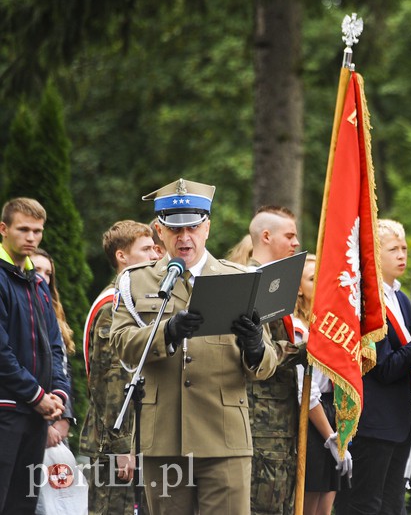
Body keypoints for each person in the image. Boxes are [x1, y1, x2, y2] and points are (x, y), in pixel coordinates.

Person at [110, 179, 282, 515]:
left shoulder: (239, 277)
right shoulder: (136, 280)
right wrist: (167, 332)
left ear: (207, 228)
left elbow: (268, 363)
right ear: (159, 231)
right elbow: (122, 346)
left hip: (224, 437)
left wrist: (254, 346)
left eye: (192, 226)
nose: (184, 237)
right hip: (163, 439)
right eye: (175, 229)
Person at [335, 219, 411, 515]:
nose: (402, 255)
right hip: (373, 420)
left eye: (405, 248)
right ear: (373, 253)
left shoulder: (401, 299)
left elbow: (408, 360)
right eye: (393, 249)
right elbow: (383, 367)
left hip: (400, 419)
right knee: (366, 504)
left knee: (393, 505)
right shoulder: (367, 300)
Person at [79, 220, 159, 514]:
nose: (154, 254)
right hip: (115, 443)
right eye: (146, 248)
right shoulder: (112, 308)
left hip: (138, 438)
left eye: (154, 248)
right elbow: (110, 386)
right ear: (121, 256)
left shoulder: (133, 302)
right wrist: (122, 448)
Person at [0, 197, 70, 513]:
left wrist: (57, 392)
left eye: (38, 231)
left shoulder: (37, 284)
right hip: (6, 412)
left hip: (36, 415)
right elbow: (1, 352)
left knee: (24, 506)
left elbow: (54, 346)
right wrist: (36, 394)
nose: (31, 238)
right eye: (23, 229)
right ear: (4, 229)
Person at [247, 205, 305, 515]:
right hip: (261, 423)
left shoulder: (274, 282)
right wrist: (306, 349)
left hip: (280, 422)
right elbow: (254, 354)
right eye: (290, 236)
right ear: (266, 236)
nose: (296, 243)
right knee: (264, 507)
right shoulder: (251, 283)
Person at [292, 254, 350, 515]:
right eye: (313, 279)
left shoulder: (330, 324)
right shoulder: (296, 326)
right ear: (299, 290)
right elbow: (305, 389)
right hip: (312, 418)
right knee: (308, 504)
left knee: (327, 504)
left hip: (332, 413)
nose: (321, 285)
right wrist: (330, 437)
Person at [31, 248, 77, 450]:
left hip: (56, 413)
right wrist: (43, 426)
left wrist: (65, 417)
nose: (43, 277)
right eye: (37, 269)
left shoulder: (55, 318)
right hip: (30, 417)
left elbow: (63, 370)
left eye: (48, 273)